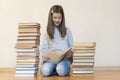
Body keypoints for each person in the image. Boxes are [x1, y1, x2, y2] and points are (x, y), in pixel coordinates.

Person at [40, 5, 74, 76]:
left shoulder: (67, 30)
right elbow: (44, 46)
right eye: (55, 18)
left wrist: (71, 53)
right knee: (45, 71)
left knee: (61, 70)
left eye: (59, 18)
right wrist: (45, 56)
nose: (57, 20)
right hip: (52, 60)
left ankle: (59, 69)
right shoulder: (47, 31)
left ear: (62, 18)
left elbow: (72, 45)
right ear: (51, 18)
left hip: (64, 59)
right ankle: (56, 69)